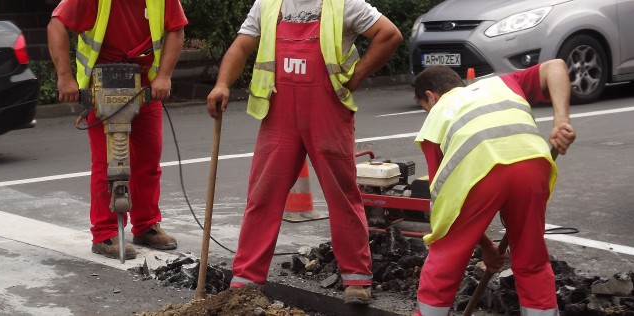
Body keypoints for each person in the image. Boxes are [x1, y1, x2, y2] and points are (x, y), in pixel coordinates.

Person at [206, 0, 402, 304]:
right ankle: (246, 279)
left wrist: (358, 75)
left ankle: (357, 278)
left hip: (327, 114)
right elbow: (241, 47)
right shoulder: (267, 5)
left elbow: (389, 35)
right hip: (279, 115)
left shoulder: (345, 5)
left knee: (342, 195)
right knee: (263, 196)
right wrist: (222, 84)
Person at [412, 59, 576, 316]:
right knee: (531, 258)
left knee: (446, 255)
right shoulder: (502, 83)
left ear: (430, 97)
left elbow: (446, 205)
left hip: (481, 172)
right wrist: (561, 121)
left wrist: (487, 247)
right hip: (532, 166)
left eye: (425, 107)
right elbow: (555, 66)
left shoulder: (436, 118)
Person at [47, 0, 188, 260]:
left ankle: (146, 225)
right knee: (107, 164)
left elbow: (176, 29)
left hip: (143, 85)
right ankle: (105, 233)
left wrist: (164, 75)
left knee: (148, 160)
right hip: (103, 85)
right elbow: (57, 24)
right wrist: (65, 78)